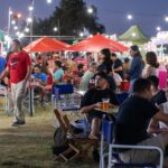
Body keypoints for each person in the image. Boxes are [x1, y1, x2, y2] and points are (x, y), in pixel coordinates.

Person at [114, 78, 168, 165]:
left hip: (125, 152)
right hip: (133, 153)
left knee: (164, 160)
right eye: (151, 90)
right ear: (146, 90)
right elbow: (164, 118)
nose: (152, 93)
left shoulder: (128, 101)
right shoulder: (142, 103)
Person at [0, 39, 31, 126]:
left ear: (18, 45)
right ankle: (21, 119)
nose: (11, 47)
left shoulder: (25, 54)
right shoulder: (11, 56)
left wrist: (26, 79)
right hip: (13, 81)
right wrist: (1, 77)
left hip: (22, 81)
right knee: (16, 100)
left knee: (18, 99)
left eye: (12, 45)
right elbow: (7, 69)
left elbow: (29, 68)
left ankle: (17, 119)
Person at [80, 72, 118, 139]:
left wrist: (110, 106)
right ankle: (93, 135)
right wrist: (95, 105)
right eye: (96, 79)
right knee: (97, 114)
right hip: (92, 118)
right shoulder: (90, 92)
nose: (97, 81)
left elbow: (117, 108)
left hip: (108, 118)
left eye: (100, 79)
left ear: (106, 81)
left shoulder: (110, 93)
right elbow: (82, 110)